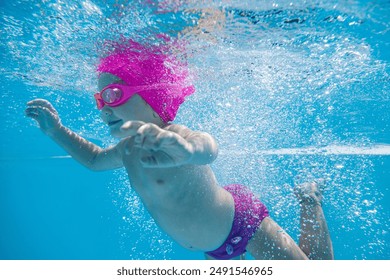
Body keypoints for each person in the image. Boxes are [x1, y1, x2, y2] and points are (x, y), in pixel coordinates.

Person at [25, 40, 333, 260]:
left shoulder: (174, 137)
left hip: (242, 223)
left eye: (114, 94)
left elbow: (207, 149)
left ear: (153, 98)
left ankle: (310, 201)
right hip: (213, 248)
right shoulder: (127, 149)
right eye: (100, 100)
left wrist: (185, 149)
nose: (105, 108)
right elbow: (93, 159)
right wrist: (56, 131)